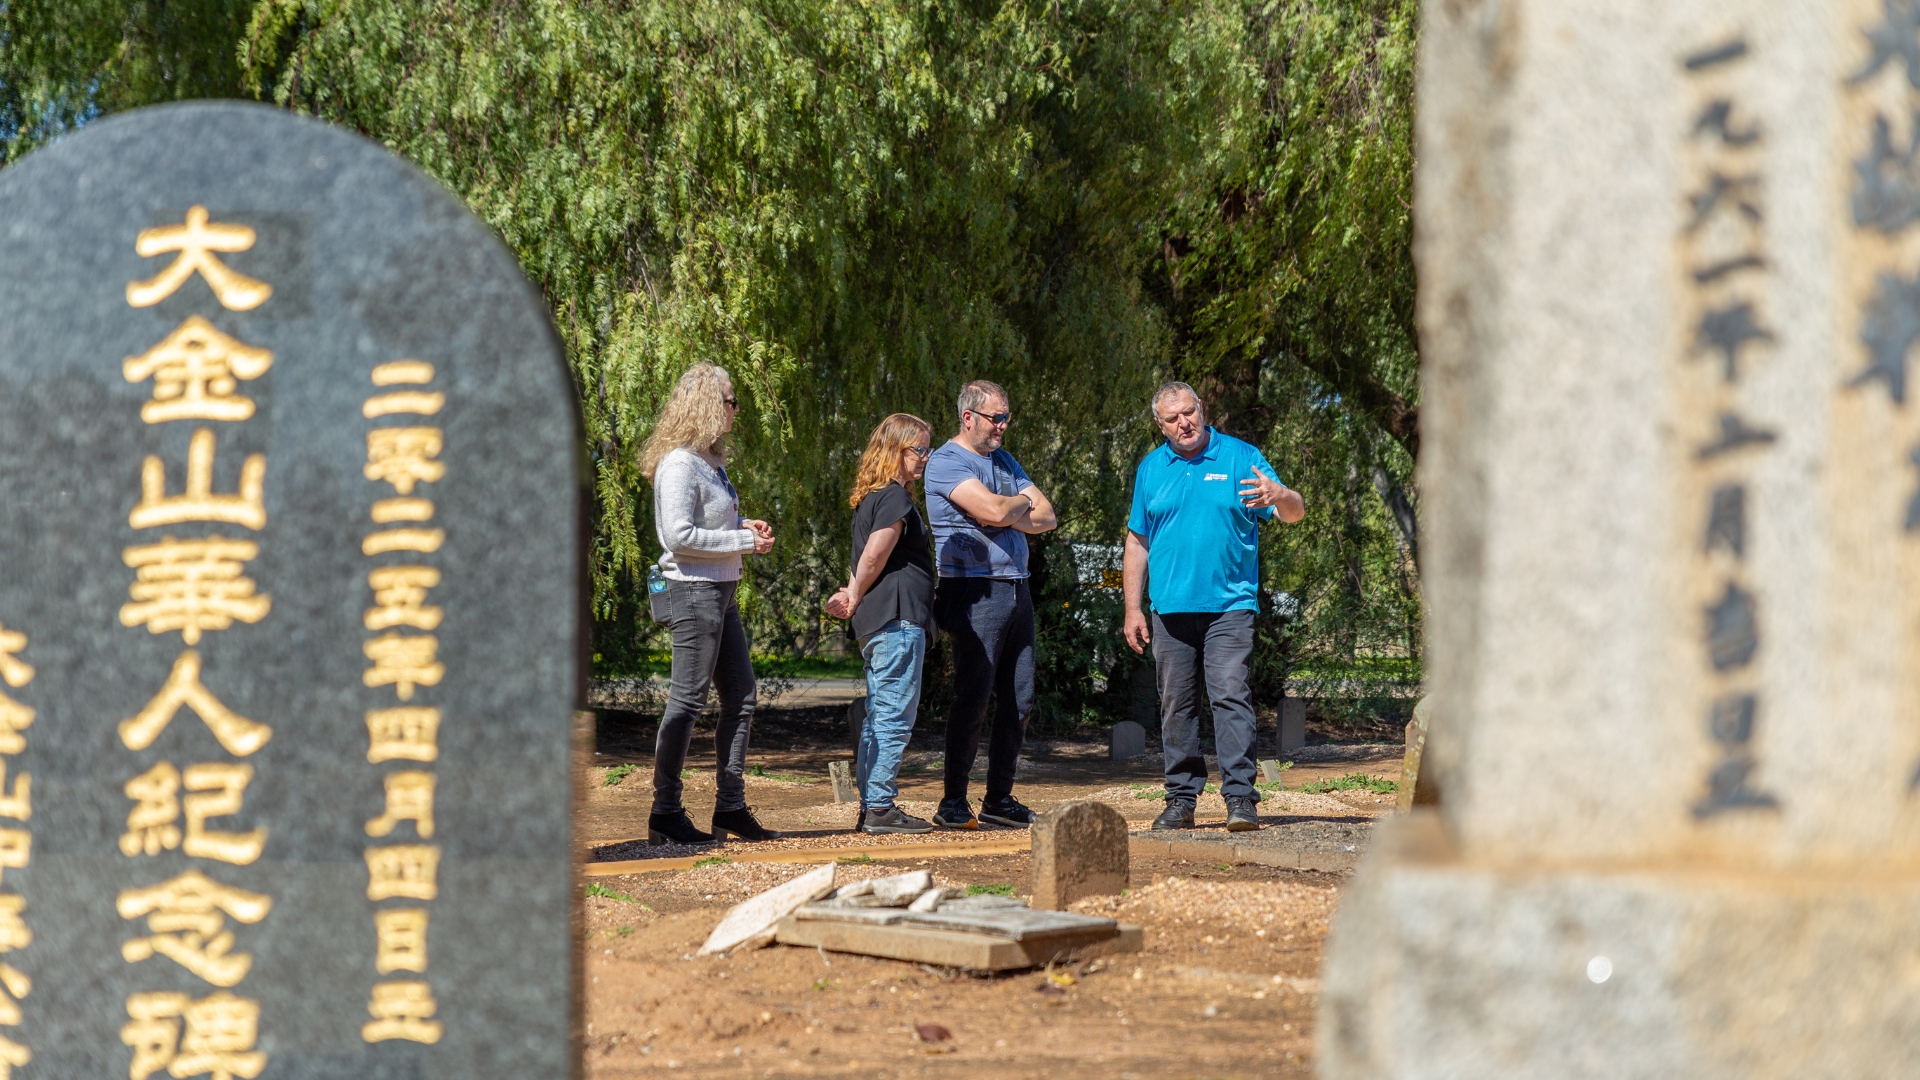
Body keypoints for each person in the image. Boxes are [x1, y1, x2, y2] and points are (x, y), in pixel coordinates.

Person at [1122, 382, 1304, 832]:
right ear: (1159, 425)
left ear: (1201, 409)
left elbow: (1294, 512)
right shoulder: (1151, 469)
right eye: (1172, 418)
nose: (1184, 423)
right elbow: (1137, 541)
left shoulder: (1241, 457)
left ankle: (1241, 799)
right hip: (1169, 609)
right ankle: (1181, 801)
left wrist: (1279, 494)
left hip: (1230, 605)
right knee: (1176, 705)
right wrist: (1132, 609)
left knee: (1229, 696)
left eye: (1189, 412)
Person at [638, 364, 779, 845]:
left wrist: (746, 526)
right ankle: (665, 811)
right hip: (694, 591)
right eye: (730, 400)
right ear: (706, 403)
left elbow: (709, 525)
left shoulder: (710, 462)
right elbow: (677, 537)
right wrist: (741, 539)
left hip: (722, 591)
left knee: (741, 697)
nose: (736, 409)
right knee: (687, 701)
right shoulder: (680, 463)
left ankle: (731, 808)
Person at [922, 380, 1057, 829]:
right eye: (995, 418)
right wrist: (1016, 507)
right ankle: (953, 802)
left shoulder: (1004, 460)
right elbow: (999, 514)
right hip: (973, 589)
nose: (1002, 426)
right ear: (968, 418)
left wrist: (1006, 509)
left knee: (1020, 698)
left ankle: (998, 798)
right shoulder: (945, 461)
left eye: (1006, 417)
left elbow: (1048, 517)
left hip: (1017, 586)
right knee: (974, 696)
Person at [825, 414, 937, 834]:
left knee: (878, 715)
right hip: (898, 619)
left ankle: (873, 804)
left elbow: (864, 564)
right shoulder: (895, 498)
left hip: (879, 623)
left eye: (927, 449)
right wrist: (854, 594)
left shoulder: (872, 498)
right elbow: (874, 556)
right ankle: (880, 808)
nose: (925, 458)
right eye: (919, 450)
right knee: (893, 716)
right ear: (895, 452)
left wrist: (852, 595)